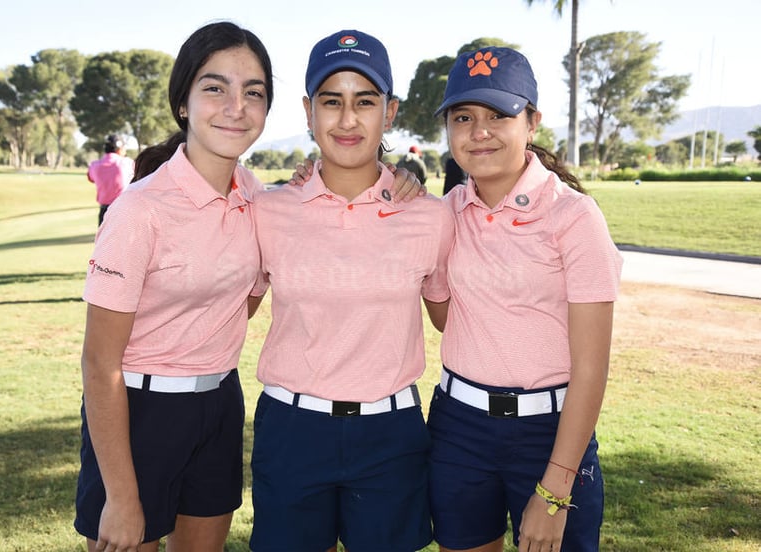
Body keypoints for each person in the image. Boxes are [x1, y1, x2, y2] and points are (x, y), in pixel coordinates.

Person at [74, 21, 424, 552]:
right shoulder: (138, 210)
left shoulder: (256, 197)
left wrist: (397, 177)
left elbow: (255, 292)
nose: (236, 106)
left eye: (253, 92)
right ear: (183, 102)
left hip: (220, 404)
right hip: (141, 413)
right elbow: (100, 363)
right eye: (215, 87)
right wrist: (121, 497)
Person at [248, 29, 454, 552]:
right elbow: (231, 309)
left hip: (391, 433)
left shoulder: (430, 216)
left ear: (390, 113)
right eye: (331, 102)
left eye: (365, 102)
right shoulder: (268, 211)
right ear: (308, 110)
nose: (347, 120)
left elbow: (450, 317)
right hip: (292, 429)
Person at [426, 47, 623, 552]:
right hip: (458, 426)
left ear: (531, 122)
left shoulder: (574, 217)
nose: (479, 131)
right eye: (463, 117)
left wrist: (556, 488)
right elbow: (447, 318)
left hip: (551, 432)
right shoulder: (444, 212)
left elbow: (591, 368)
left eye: (498, 115)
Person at [87, 134, 134, 226]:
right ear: (119, 148)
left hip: (104, 212)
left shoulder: (95, 165)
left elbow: (90, 178)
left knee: (105, 240)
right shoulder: (127, 163)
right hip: (123, 210)